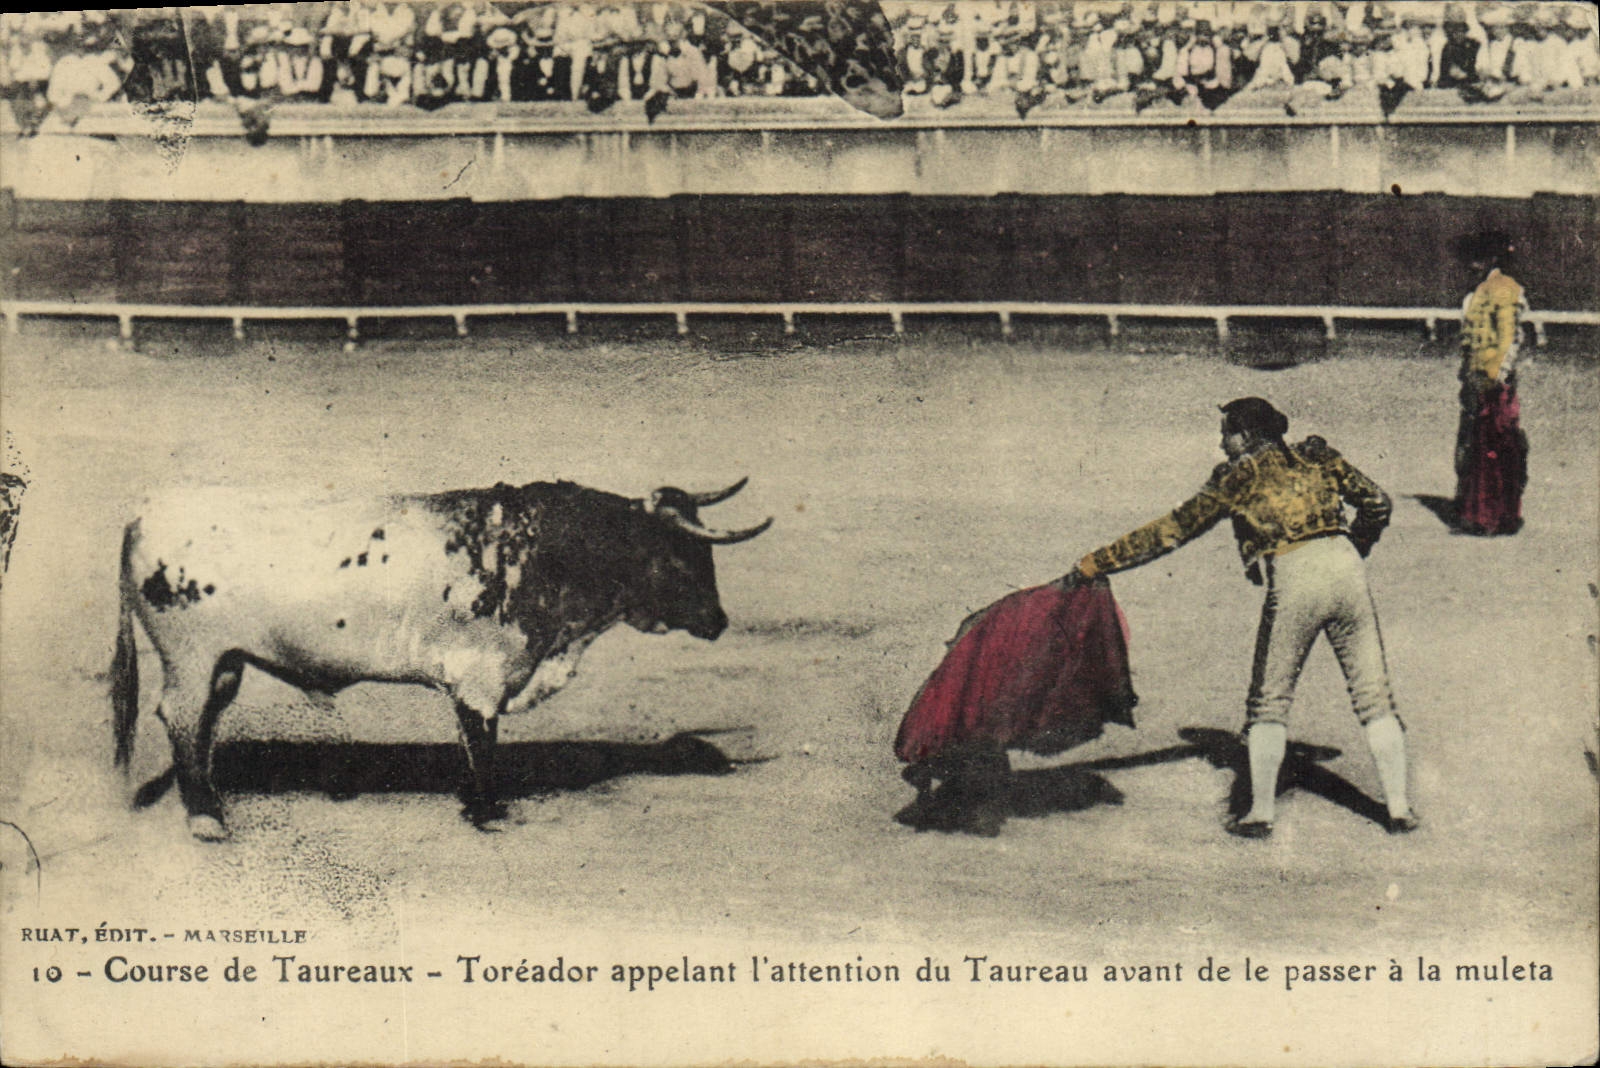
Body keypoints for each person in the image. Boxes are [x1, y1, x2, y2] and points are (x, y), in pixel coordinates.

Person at [1064, 398, 1418, 839]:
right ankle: (1400, 808)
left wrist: (1098, 563)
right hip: (1347, 568)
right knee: (1373, 695)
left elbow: (1171, 530)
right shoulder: (1317, 456)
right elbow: (1378, 503)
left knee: (1269, 701)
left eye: (1226, 432)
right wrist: (1357, 545)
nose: (1220, 442)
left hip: (1295, 572)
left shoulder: (1236, 477)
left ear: (1246, 436)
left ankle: (1260, 814)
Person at [1453, 232, 1531, 536]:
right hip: (1475, 376)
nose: (1470, 265)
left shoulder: (1504, 289)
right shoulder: (1481, 291)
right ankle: (1476, 512)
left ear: (1491, 259)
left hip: (1494, 380)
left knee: (1495, 445)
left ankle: (1493, 516)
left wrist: (1498, 376)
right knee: (1475, 444)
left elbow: (1510, 336)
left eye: (1477, 258)